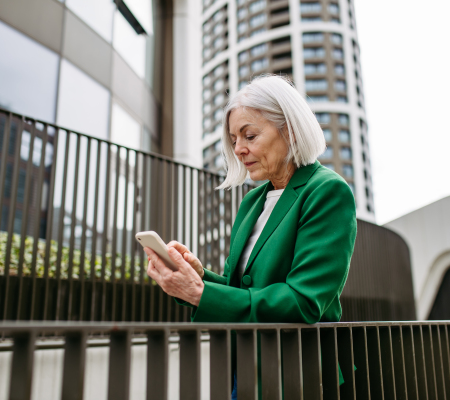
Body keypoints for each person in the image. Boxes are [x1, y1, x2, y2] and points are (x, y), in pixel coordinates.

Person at [144, 75, 357, 396]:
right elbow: (239, 290)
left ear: (290, 129)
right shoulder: (252, 201)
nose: (239, 149)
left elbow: (303, 302)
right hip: (244, 370)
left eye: (250, 135)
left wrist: (202, 294)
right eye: (234, 139)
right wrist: (198, 278)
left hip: (301, 377)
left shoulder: (327, 191)